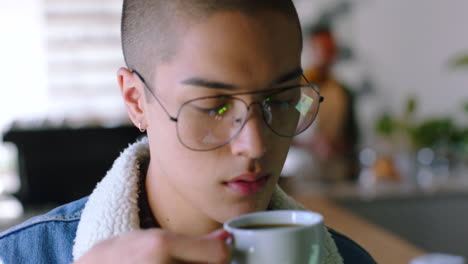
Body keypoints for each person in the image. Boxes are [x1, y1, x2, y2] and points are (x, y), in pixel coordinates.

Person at [0, 1, 375, 263]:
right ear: (135, 100)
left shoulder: (350, 260)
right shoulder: (24, 256)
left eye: (281, 100)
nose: (255, 145)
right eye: (215, 107)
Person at [293, 24, 360, 183]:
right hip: (301, 170)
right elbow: (286, 131)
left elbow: (353, 137)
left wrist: (335, 147)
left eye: (329, 49)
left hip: (335, 172)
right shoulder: (298, 89)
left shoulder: (343, 92)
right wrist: (312, 145)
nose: (324, 54)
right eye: (320, 48)